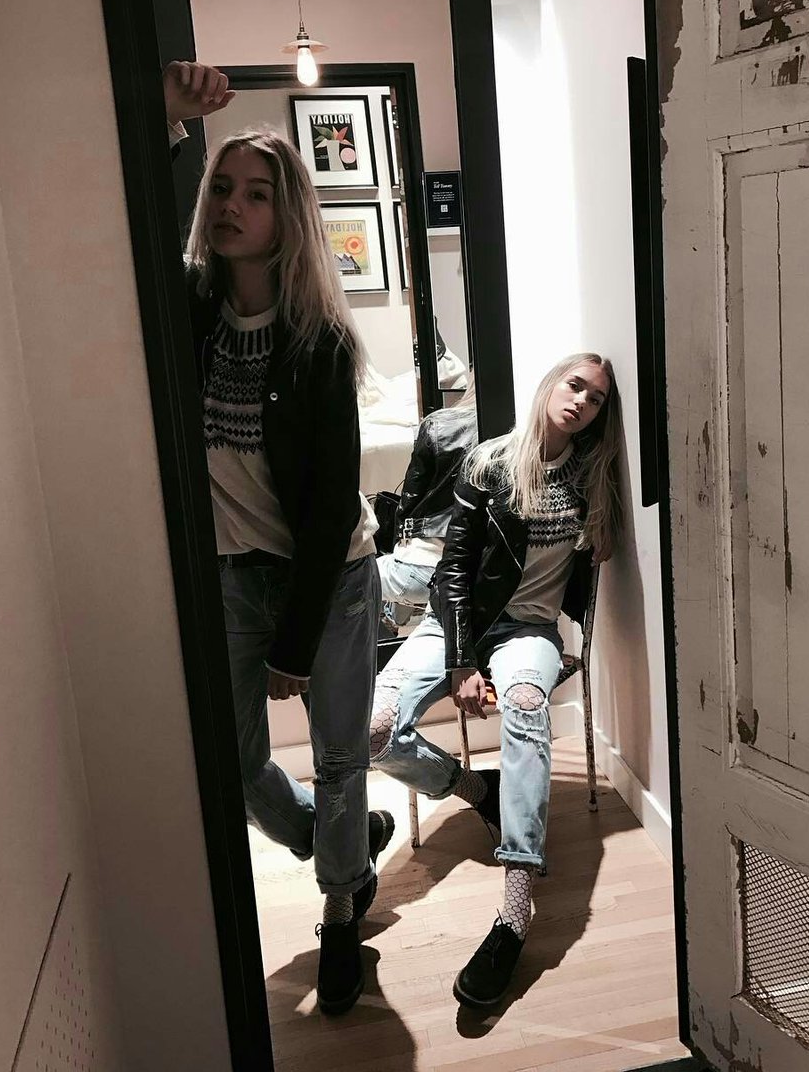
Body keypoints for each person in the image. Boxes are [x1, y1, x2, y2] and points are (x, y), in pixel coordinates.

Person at [164, 61, 394, 1016]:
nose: (231, 205)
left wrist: (295, 646)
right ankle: (330, 845)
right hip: (229, 578)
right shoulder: (186, 313)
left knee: (339, 759)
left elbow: (332, 506)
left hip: (329, 582)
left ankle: (339, 914)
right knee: (232, 757)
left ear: (285, 216)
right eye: (221, 187)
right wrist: (167, 121)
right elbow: (125, 222)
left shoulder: (317, 343)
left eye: (256, 194)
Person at [368, 353, 621, 1008]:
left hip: (527, 632)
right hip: (455, 624)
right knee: (372, 732)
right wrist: (461, 664)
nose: (581, 402)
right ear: (550, 385)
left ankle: (514, 910)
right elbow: (453, 569)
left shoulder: (593, 476)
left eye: (595, 398)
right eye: (574, 386)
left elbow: (593, 561)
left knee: (527, 706)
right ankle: (476, 788)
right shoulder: (490, 463)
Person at [377, 379, 479, 625]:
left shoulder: (439, 424)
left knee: (348, 579)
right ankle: (400, 611)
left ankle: (396, 611)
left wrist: (400, 545)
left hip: (423, 565)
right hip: (471, 578)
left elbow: (409, 499)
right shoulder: (519, 435)